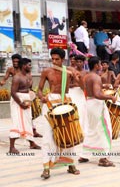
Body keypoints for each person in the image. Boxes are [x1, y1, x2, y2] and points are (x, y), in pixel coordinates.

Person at [38, 48, 81, 179]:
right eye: (53, 59)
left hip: (65, 102)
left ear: (63, 60)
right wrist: (42, 98)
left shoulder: (69, 71)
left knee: (69, 134)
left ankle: (71, 164)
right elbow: (39, 89)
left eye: (57, 59)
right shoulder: (46, 71)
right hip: (50, 103)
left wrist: (77, 77)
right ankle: (46, 167)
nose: (55, 61)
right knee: (48, 135)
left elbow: (82, 84)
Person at [78, 56, 117, 167]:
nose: (101, 66)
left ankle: (84, 155)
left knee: (92, 129)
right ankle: (103, 158)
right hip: (96, 104)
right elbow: (97, 94)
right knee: (104, 130)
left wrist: (103, 86)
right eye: (100, 64)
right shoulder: (96, 77)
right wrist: (111, 97)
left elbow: (90, 89)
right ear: (96, 65)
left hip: (89, 103)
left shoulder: (86, 76)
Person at [9, 58, 41, 154]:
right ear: (23, 66)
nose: (30, 66)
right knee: (17, 122)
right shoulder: (17, 77)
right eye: (29, 65)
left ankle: (31, 143)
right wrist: (20, 103)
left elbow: (29, 88)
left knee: (28, 121)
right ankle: (11, 147)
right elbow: (13, 92)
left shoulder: (27, 75)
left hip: (26, 100)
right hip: (17, 101)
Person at [69, 55, 88, 134]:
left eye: (80, 62)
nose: (79, 63)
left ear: (84, 63)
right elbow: (68, 84)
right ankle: (74, 131)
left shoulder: (86, 72)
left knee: (82, 111)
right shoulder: (72, 71)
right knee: (74, 110)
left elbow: (86, 85)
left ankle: (81, 131)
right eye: (77, 62)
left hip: (81, 93)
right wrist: (74, 85)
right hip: (73, 92)